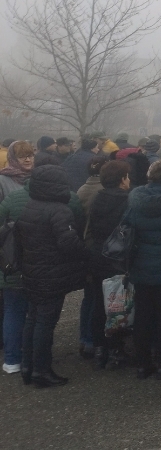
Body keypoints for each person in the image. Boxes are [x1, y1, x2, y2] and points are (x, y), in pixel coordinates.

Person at [15, 164, 89, 387]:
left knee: (33, 319)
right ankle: (41, 370)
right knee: (46, 323)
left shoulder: (31, 205)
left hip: (32, 271)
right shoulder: (59, 210)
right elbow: (68, 244)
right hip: (52, 275)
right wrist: (85, 252)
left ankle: (27, 366)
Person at [122, 158, 161, 379]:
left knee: (143, 315)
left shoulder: (136, 199)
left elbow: (126, 226)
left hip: (141, 265)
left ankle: (142, 363)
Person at [85, 160, 131, 369]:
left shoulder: (97, 198)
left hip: (97, 256)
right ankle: (117, 349)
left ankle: (99, 348)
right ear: (122, 180)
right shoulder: (128, 200)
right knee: (121, 304)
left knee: (98, 303)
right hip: (119, 258)